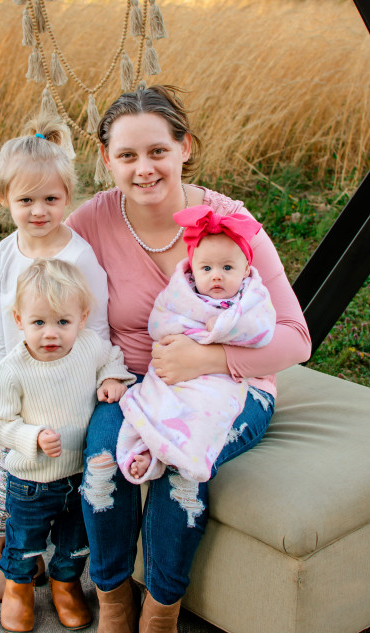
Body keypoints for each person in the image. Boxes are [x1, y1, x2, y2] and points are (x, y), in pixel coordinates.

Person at [65, 84, 311, 633]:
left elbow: (295, 337)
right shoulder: (92, 220)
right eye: (126, 156)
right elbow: (30, 269)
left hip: (228, 387)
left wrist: (211, 355)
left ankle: (160, 617)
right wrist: (3, 357)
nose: (143, 168)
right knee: (102, 462)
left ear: (185, 148)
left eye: (157, 150)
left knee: (180, 469)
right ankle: (115, 602)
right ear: (106, 158)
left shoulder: (233, 223)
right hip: (134, 383)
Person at [0, 116, 110, 604]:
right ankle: (7, 556)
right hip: (18, 377)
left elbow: (95, 327)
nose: (38, 211)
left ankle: (1, 554)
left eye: (51, 200)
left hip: (64, 384)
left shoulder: (79, 257)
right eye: (25, 201)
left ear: (68, 198)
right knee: (11, 456)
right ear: (5, 199)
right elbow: (3, 326)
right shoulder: (1, 256)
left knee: (24, 467)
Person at [0, 258, 136, 633]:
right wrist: (31, 437)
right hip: (31, 480)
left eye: (62, 322)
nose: (50, 333)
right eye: (38, 323)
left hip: (79, 475)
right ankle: (18, 588)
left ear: (82, 318)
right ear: (19, 320)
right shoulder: (14, 368)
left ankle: (65, 584)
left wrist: (113, 380)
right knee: (24, 538)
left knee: (74, 539)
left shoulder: (88, 347)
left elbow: (112, 358)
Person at [117, 205, 276, 484]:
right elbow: (159, 323)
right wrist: (182, 332)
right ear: (192, 269)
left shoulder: (250, 298)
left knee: (205, 414)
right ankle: (147, 450)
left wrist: (227, 328)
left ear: (245, 270)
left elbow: (262, 329)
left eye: (227, 267)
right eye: (206, 268)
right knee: (158, 405)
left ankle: (182, 455)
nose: (216, 275)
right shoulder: (182, 294)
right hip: (176, 372)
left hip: (221, 378)